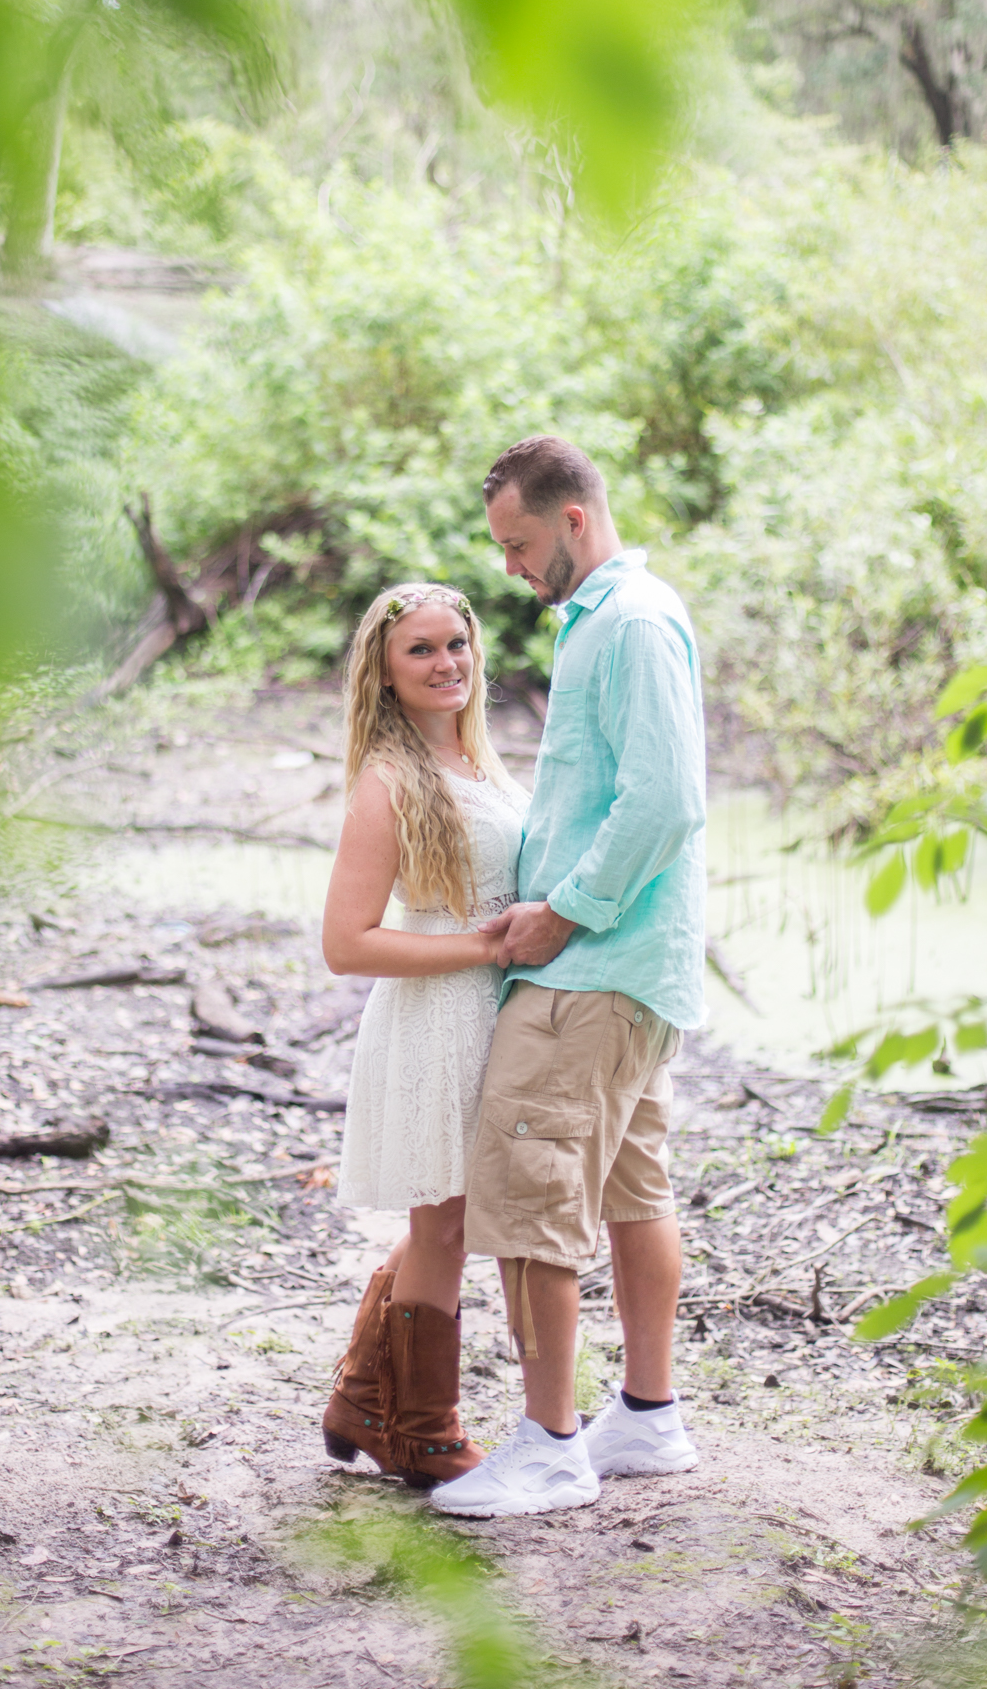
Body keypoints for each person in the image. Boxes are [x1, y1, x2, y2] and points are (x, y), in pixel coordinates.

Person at [430, 436, 706, 1520]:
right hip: (637, 969)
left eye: (519, 542)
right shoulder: (611, 618)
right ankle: (646, 1414)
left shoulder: (629, 622)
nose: (507, 566)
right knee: (636, 1187)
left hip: (591, 965)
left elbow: (662, 800)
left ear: (575, 520)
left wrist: (562, 911)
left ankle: (549, 1444)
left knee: (526, 1196)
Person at [320, 582, 530, 1485]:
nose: (446, 663)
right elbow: (345, 943)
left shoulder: (484, 763)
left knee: (456, 1214)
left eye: (457, 644)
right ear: (386, 671)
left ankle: (362, 1397)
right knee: (444, 1223)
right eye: (421, 651)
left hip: (496, 1008)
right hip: (436, 1016)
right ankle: (424, 1432)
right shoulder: (389, 782)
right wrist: (479, 947)